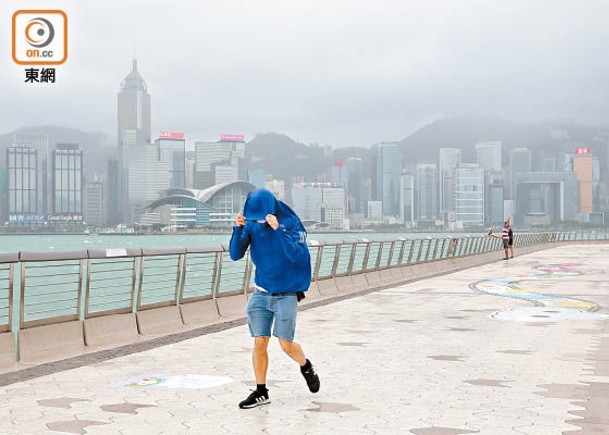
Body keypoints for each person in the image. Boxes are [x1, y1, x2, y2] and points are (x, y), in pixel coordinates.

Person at [229, 188, 320, 409]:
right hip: (261, 292)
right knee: (260, 341)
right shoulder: (252, 222)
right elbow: (235, 254)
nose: (257, 221)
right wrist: (238, 228)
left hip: (286, 294)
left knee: (286, 344)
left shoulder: (290, 223)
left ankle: (306, 365)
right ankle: (261, 391)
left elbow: (295, 256)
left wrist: (277, 230)